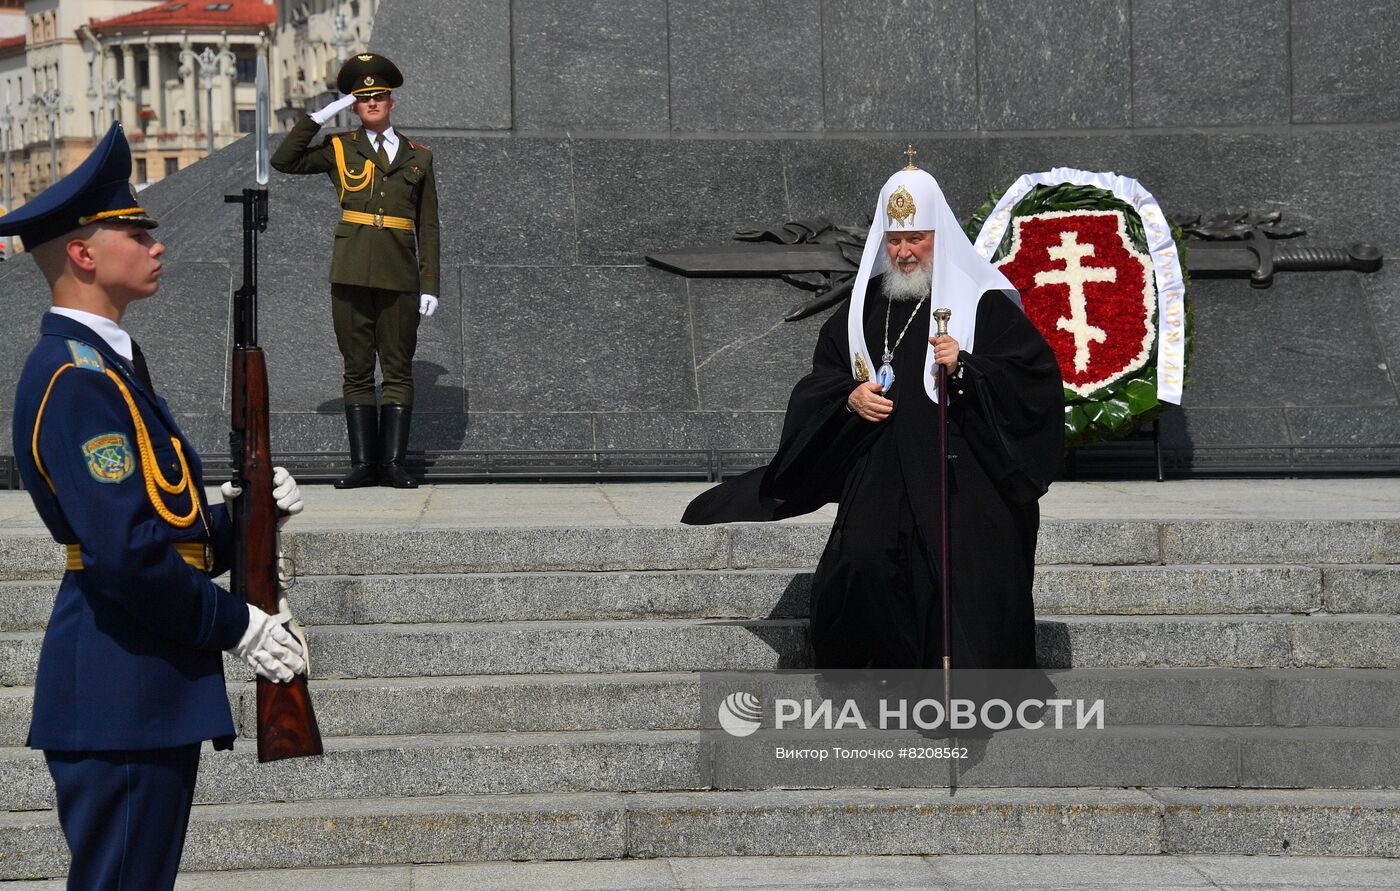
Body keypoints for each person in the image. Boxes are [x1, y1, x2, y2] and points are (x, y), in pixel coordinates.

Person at [6, 122, 308, 890]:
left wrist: (244, 518)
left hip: (142, 686)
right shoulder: (77, 380)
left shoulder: (109, 366)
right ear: (83, 252)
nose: (156, 243)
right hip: (123, 687)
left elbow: (161, 526)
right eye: (135, 230)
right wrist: (236, 623)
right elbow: (127, 553)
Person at [684, 161, 1063, 672]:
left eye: (916, 239)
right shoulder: (862, 307)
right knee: (862, 563)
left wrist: (969, 369)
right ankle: (879, 688)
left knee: (963, 577)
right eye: (894, 240)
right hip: (881, 466)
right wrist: (850, 397)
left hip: (961, 471)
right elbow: (823, 377)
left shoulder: (983, 302)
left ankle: (965, 702)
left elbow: (1033, 380)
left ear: (940, 236)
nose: (904, 252)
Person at [270, 51, 440, 489]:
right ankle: (364, 464)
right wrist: (320, 116)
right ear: (354, 105)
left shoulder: (419, 156)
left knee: (398, 368)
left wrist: (429, 283)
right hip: (349, 273)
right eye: (361, 99)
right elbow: (284, 161)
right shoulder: (340, 148)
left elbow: (429, 225)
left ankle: (393, 464)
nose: (371, 104)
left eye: (378, 96)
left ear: (391, 102)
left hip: (400, 275)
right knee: (357, 367)